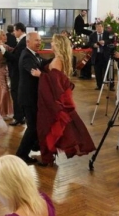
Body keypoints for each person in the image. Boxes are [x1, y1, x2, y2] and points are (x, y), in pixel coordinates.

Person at [34, 34, 96, 165]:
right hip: (54, 98)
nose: (51, 44)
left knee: (45, 127)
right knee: (49, 127)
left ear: (58, 44)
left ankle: (47, 158)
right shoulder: (60, 59)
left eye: (53, 42)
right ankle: (48, 157)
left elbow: (54, 83)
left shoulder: (57, 61)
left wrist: (40, 75)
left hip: (52, 100)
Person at [15, 32, 48, 165]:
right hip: (28, 98)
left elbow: (43, 63)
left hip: (32, 97)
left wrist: (57, 58)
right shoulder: (26, 56)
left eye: (40, 40)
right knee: (32, 127)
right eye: (36, 40)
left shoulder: (34, 54)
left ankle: (34, 145)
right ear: (28, 42)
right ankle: (21, 154)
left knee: (34, 125)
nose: (39, 42)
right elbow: (33, 71)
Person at [1, 22, 27, 126]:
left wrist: (4, 51)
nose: (14, 33)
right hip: (17, 72)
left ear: (19, 30)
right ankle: (20, 116)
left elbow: (16, 58)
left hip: (17, 72)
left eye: (15, 30)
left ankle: (18, 117)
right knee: (17, 94)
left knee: (15, 94)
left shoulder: (23, 41)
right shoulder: (22, 41)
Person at [0, 30, 13, 119]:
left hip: (5, 69)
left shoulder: (6, 46)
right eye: (3, 35)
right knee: (4, 89)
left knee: (5, 89)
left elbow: (14, 51)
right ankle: (0, 111)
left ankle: (6, 111)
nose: (6, 36)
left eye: (5, 35)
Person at [88, 22, 111, 90]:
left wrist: (104, 42)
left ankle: (111, 85)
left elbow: (111, 41)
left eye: (100, 27)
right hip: (97, 55)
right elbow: (89, 43)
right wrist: (93, 45)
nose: (99, 28)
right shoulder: (92, 35)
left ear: (103, 27)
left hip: (105, 55)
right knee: (97, 71)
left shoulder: (107, 34)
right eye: (97, 27)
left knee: (108, 70)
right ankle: (99, 85)